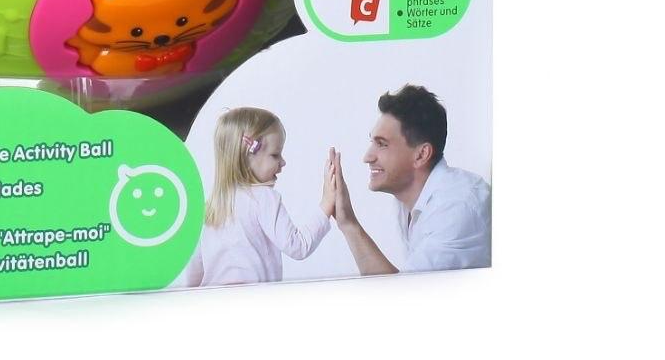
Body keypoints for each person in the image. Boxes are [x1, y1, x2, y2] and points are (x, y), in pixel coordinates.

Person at [330, 84, 490, 274]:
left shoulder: (456, 208)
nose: (367, 157)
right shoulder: (408, 201)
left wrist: (349, 225)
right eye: (372, 142)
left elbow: (406, 291)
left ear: (421, 155)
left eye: (382, 144)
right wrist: (347, 222)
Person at [184, 106, 334, 286]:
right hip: (254, 300)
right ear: (246, 157)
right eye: (275, 155)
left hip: (213, 299)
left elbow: (195, 269)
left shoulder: (213, 204)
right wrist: (326, 204)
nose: (283, 162)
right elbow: (298, 247)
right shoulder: (263, 198)